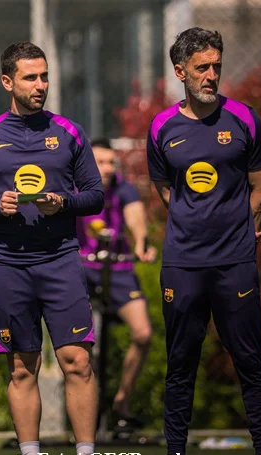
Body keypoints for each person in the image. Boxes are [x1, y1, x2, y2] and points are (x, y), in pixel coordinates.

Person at [0, 42, 114, 455]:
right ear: (8, 82)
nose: (40, 85)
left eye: (44, 76)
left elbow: (95, 196)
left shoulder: (69, 132)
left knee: (77, 361)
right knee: (21, 365)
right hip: (8, 264)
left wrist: (62, 203)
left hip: (60, 261)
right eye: (31, 77)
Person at [146, 27, 261, 455]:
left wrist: (242, 229)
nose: (211, 75)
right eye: (202, 68)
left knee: (249, 359)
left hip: (235, 262)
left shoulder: (244, 117)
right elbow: (165, 188)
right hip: (182, 263)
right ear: (180, 71)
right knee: (180, 362)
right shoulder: (162, 127)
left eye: (217, 66)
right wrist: (196, 223)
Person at [76, 138, 156, 433]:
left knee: (143, 333)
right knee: (81, 346)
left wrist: (141, 244)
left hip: (119, 268)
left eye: (111, 162)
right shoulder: (76, 186)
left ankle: (121, 402)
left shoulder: (124, 188)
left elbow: (136, 220)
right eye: (100, 162)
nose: (107, 168)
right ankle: (84, 412)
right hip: (81, 269)